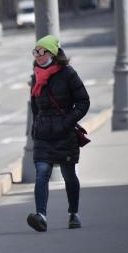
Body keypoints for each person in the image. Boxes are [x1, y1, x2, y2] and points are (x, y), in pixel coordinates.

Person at [26, 35, 90, 232]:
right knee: (42, 173)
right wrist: (37, 126)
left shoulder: (68, 74)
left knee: (68, 175)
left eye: (41, 51)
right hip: (44, 134)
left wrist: (67, 122)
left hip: (64, 133)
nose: (37, 55)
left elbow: (83, 101)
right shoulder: (36, 75)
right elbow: (35, 106)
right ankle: (41, 216)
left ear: (52, 53)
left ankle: (73, 213)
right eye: (35, 51)